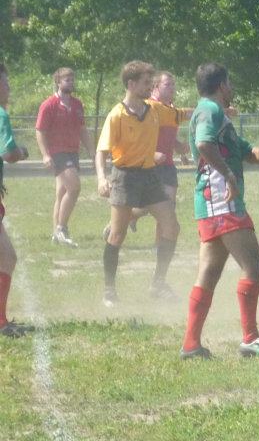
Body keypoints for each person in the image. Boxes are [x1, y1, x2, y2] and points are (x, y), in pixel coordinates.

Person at [179, 62, 259, 359]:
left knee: (209, 273)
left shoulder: (219, 116)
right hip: (220, 200)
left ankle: (191, 345)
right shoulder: (209, 111)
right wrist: (227, 174)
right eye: (230, 83)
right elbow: (203, 144)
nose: (232, 89)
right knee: (254, 265)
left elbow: (245, 153)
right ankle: (250, 338)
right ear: (222, 85)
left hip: (212, 202)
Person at [95, 61, 182, 307]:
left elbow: (180, 114)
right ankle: (109, 290)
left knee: (171, 227)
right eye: (146, 82)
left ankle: (158, 284)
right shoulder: (117, 115)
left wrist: (211, 108)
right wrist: (102, 178)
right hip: (124, 177)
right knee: (117, 234)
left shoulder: (154, 109)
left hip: (150, 176)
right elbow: (102, 152)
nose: (150, 86)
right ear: (131, 84)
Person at [103, 71, 192, 242]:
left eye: (173, 84)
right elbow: (138, 139)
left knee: (168, 209)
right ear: (155, 88)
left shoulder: (170, 108)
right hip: (148, 165)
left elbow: (170, 137)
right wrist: (151, 154)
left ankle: (159, 247)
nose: (172, 88)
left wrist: (181, 148)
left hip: (167, 164)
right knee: (150, 207)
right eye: (167, 84)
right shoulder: (148, 108)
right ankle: (123, 220)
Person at [35, 67, 94, 247]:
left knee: (61, 194)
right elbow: (40, 131)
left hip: (72, 152)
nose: (70, 82)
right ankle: (62, 228)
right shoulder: (49, 104)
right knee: (74, 188)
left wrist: (92, 150)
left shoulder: (77, 104)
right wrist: (45, 155)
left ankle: (56, 235)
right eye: (66, 79)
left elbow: (82, 129)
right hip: (58, 153)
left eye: (72, 79)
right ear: (58, 82)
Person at [0, 64, 30, 337]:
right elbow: (8, 153)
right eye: (6, 83)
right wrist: (21, 150)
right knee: (7, 257)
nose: (9, 88)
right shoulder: (0, 114)